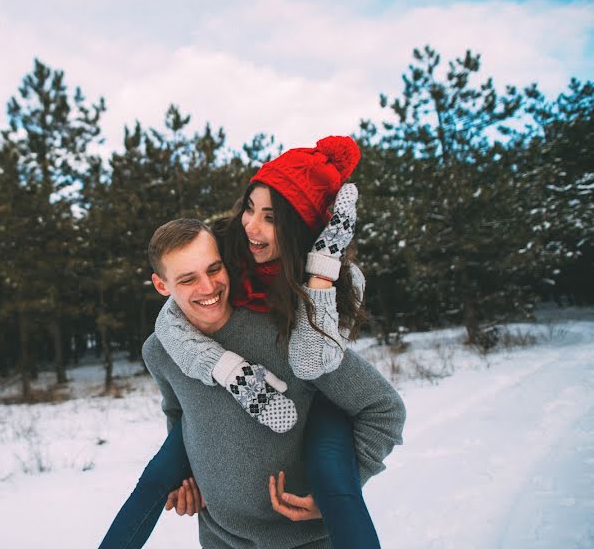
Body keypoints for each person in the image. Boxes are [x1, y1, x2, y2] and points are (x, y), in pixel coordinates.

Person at [98, 137, 406, 549]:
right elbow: (179, 411)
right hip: (220, 537)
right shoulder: (164, 345)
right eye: (249, 209)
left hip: (303, 540)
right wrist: (187, 477)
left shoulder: (289, 324)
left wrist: (337, 494)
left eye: (271, 217)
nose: (251, 226)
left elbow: (380, 408)